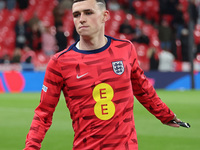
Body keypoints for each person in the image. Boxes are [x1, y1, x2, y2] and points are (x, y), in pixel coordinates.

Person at [24, 0, 183, 149]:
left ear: (105, 16)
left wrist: (165, 115)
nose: (81, 19)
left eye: (88, 13)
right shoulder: (60, 62)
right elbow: (43, 113)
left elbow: (143, 89)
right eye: (76, 15)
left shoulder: (125, 49)